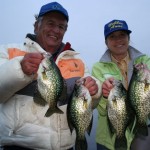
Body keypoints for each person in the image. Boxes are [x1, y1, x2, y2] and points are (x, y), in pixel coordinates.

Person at [0, 2, 101, 150]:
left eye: (61, 26)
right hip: (19, 144)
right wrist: (19, 68)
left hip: (66, 146)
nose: (55, 30)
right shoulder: (9, 52)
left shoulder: (77, 61)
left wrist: (95, 90)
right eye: (50, 23)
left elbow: (89, 105)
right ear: (36, 26)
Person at [92, 19, 150, 150]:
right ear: (106, 42)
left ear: (128, 38)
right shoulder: (98, 67)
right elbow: (100, 110)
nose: (118, 40)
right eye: (112, 37)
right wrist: (105, 96)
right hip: (108, 139)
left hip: (140, 136)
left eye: (122, 35)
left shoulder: (145, 61)